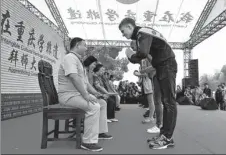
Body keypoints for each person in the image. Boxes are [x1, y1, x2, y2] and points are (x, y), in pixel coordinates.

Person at [119, 17, 177, 149]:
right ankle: (164, 135)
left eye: (123, 31)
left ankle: (167, 138)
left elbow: (143, 53)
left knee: (169, 102)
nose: (123, 34)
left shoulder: (142, 33)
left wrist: (130, 56)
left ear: (129, 27)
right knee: (166, 102)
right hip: (162, 66)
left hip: (166, 66)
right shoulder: (144, 33)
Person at [58, 37, 112, 152]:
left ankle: (100, 132)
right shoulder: (70, 58)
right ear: (78, 45)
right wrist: (86, 96)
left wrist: (97, 94)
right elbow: (73, 77)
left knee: (101, 103)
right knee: (94, 106)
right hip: (68, 96)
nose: (86, 48)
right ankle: (88, 142)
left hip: (75, 95)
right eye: (85, 45)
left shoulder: (78, 61)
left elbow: (86, 84)